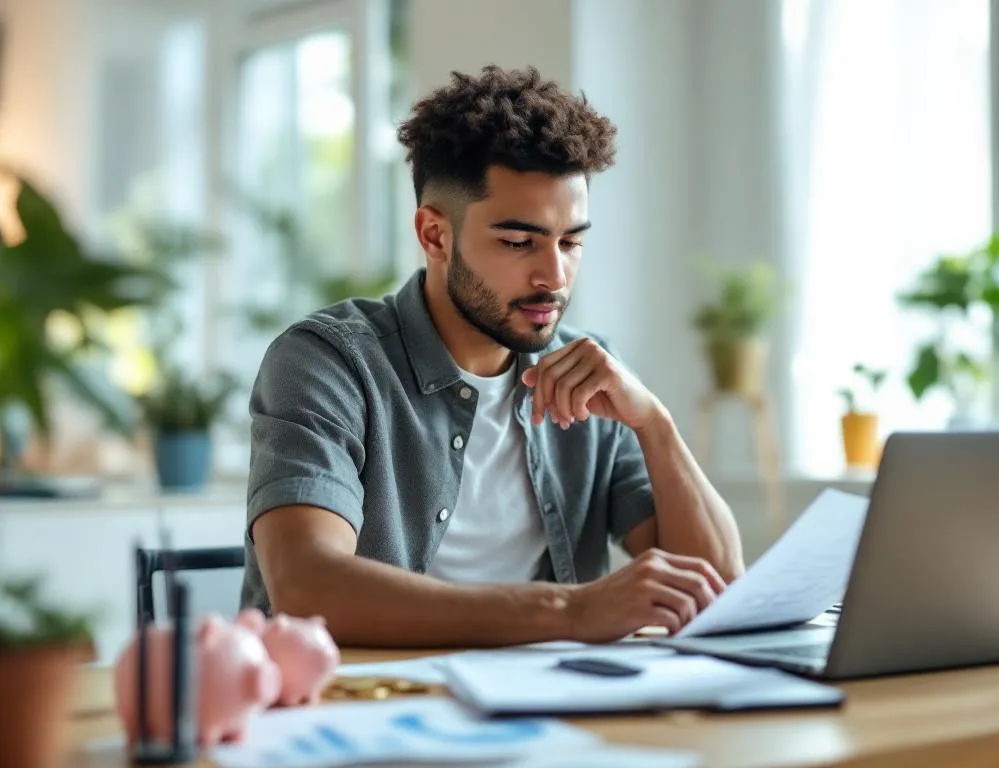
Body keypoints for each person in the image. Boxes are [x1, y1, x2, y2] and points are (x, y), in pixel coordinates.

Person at [241, 65, 745, 648]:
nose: (554, 275)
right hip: (372, 711)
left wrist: (656, 426)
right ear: (434, 235)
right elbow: (308, 587)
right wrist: (569, 611)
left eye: (572, 241)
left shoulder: (589, 373)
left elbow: (718, 587)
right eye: (517, 242)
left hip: (556, 708)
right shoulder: (329, 364)